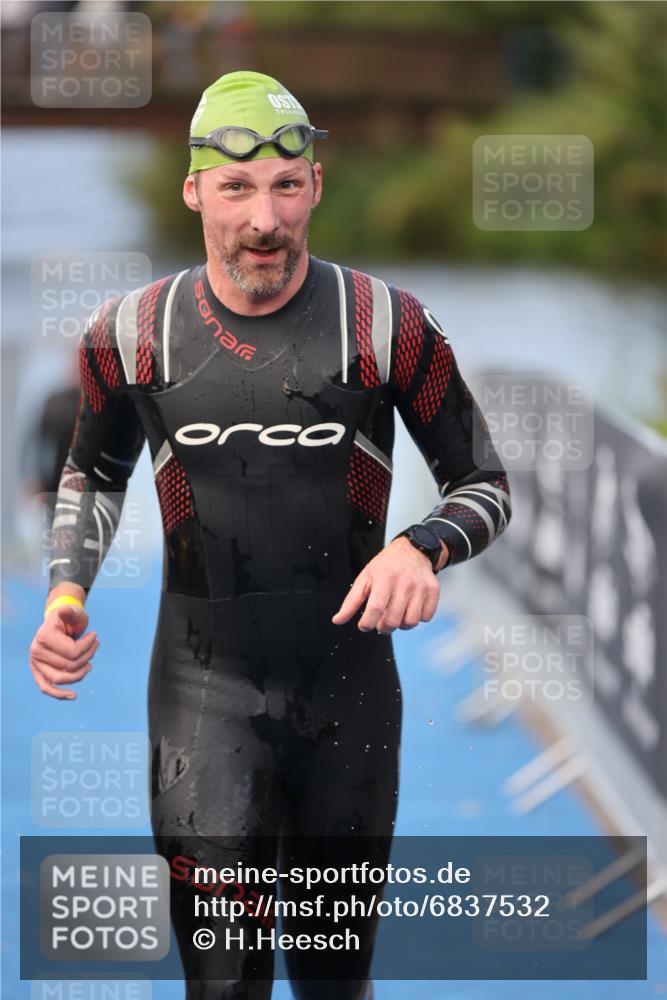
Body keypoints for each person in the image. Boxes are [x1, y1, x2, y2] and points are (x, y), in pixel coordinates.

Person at [29, 71, 512, 1000]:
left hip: (349, 704)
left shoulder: (388, 325)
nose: (264, 218)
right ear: (194, 189)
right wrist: (64, 592)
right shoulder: (129, 334)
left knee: (335, 985)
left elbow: (482, 484)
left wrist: (421, 545)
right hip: (201, 702)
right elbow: (94, 473)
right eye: (238, 188)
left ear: (316, 187)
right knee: (222, 987)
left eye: (286, 186)